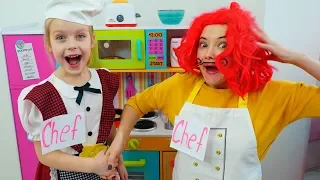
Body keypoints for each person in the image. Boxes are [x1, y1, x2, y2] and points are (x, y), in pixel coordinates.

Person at [105, 2, 320, 180]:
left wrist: (295, 58)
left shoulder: (272, 96)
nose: (209, 54)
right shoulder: (180, 85)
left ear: (241, 51)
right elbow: (136, 103)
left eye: (223, 45)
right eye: (203, 44)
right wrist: (119, 142)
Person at [17, 0, 128, 179]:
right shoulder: (41, 96)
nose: (71, 45)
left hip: (105, 170)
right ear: (48, 44)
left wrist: (119, 160)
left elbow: (107, 127)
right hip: (71, 174)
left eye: (80, 36)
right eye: (61, 37)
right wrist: (92, 166)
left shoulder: (105, 80)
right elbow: (45, 154)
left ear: (92, 40)